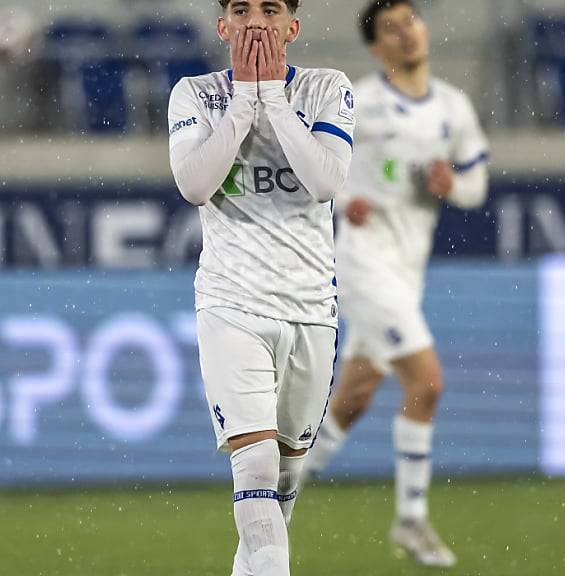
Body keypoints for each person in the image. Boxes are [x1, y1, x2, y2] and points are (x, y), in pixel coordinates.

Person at [167, 1, 355, 574]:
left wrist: (271, 96)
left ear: (291, 28)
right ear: (222, 26)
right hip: (232, 304)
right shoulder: (194, 94)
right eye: (241, 10)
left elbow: (326, 180)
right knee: (254, 468)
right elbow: (194, 185)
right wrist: (244, 102)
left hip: (311, 309)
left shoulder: (326, 88)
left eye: (270, 10)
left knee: (286, 478)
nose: (255, 22)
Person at [300, 0, 489, 568]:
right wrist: (341, 202)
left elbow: (477, 184)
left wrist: (452, 185)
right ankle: (411, 519)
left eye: (411, 21)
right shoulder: (357, 102)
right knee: (426, 382)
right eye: (391, 28)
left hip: (408, 269)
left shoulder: (453, 106)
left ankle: (279, 491)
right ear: (375, 48)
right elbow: (311, 167)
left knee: (353, 400)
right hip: (363, 260)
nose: (406, 34)